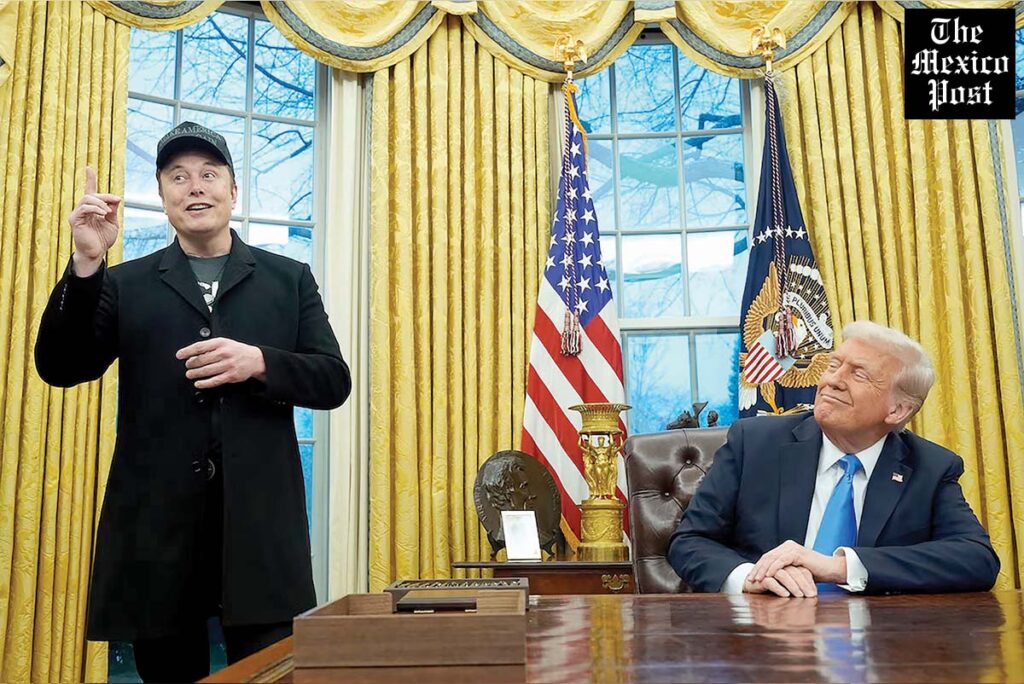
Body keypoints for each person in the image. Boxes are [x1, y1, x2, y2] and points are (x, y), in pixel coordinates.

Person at [35, 122, 351, 682]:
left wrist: (260, 362)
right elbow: (61, 367)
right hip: (158, 541)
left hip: (260, 539)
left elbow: (333, 380)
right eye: (178, 177)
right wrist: (85, 264)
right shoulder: (124, 283)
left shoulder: (289, 279)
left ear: (234, 191)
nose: (195, 186)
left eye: (209, 174)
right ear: (162, 196)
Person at [667, 320, 999, 597]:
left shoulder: (930, 468)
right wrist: (751, 577)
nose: (832, 381)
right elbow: (690, 541)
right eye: (833, 365)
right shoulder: (754, 444)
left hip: (881, 642)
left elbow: (977, 559)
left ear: (898, 410)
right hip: (765, 635)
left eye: (859, 374)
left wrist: (839, 567)